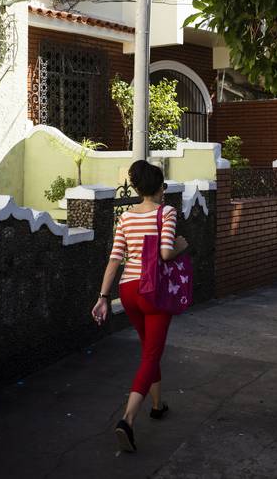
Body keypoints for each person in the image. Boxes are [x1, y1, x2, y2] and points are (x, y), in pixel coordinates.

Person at [91, 160, 189, 453]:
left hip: (128, 290)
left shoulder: (126, 217)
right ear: (160, 188)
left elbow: (114, 259)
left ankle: (157, 405)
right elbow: (166, 252)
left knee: (149, 349)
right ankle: (127, 420)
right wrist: (182, 246)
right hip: (153, 291)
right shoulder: (166, 212)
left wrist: (103, 297)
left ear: (135, 188)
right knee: (151, 355)